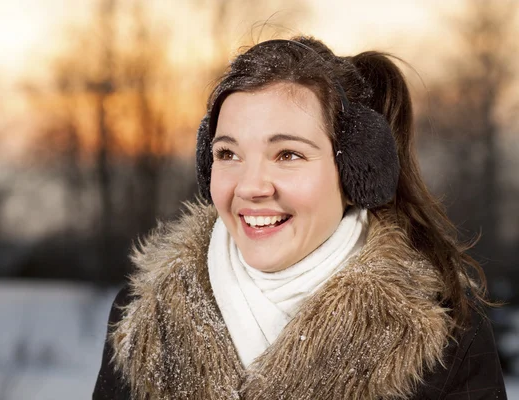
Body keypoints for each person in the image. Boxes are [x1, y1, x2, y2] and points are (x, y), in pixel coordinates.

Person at [93, 37, 507, 399]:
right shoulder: (144, 316)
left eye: (287, 154)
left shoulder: (446, 335)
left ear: (356, 171)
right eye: (228, 154)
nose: (251, 186)